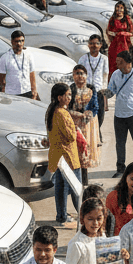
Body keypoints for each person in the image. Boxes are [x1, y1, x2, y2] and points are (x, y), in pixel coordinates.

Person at [105, 51, 133, 178]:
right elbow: (111, 91)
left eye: (120, 62)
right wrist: (103, 93)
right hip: (119, 114)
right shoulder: (115, 74)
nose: (117, 64)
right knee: (120, 142)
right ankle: (120, 168)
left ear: (128, 63)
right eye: (117, 62)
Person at [47, 83, 81, 226]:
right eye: (67, 95)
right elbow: (70, 136)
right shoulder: (62, 113)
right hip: (68, 157)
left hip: (58, 155)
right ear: (60, 97)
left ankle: (61, 215)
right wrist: (75, 128)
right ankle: (83, 214)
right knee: (76, 189)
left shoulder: (51, 110)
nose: (69, 97)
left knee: (61, 188)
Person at [68, 64, 100, 184]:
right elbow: (67, 108)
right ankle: (75, 182)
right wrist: (79, 115)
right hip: (74, 124)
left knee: (85, 152)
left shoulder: (91, 88)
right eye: (77, 73)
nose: (79, 76)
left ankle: (84, 183)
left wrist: (88, 116)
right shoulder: (70, 89)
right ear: (73, 76)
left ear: (86, 75)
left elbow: (95, 107)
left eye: (82, 73)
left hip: (88, 125)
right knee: (75, 153)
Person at [78, 35, 109, 136]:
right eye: (91, 43)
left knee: (100, 115)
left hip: (99, 91)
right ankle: (91, 135)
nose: (94, 46)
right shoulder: (83, 58)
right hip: (86, 91)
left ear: (100, 45)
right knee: (86, 114)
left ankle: (96, 132)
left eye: (96, 43)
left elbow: (105, 76)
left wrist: (105, 94)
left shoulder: (104, 59)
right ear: (88, 45)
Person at [0, 29, 39, 99]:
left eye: (22, 41)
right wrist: (3, 92)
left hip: (27, 91)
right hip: (12, 94)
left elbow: (32, 74)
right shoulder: (5, 57)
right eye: (17, 41)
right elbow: (2, 78)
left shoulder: (28, 55)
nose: (19, 44)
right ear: (12, 42)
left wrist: (34, 90)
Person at [106, 1, 133, 75]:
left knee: (125, 65)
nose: (119, 9)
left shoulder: (127, 19)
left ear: (124, 9)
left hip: (126, 45)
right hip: (115, 46)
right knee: (114, 66)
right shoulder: (112, 19)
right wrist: (115, 35)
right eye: (117, 7)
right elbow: (108, 31)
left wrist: (123, 34)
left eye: (121, 8)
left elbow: (131, 33)